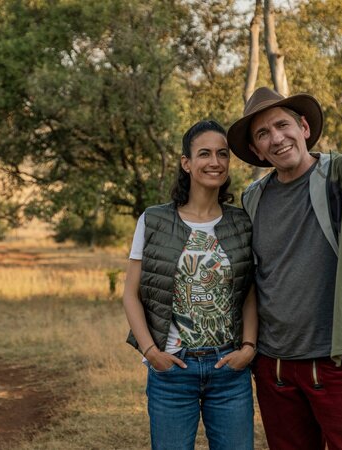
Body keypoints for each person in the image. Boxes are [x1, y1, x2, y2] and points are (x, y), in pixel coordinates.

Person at [226, 86, 342, 450]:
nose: (277, 138)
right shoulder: (253, 197)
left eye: (283, 125)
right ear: (256, 150)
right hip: (275, 369)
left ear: (303, 127)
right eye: (263, 134)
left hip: (339, 361)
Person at [123, 120, 258, 450]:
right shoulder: (153, 220)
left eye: (222, 154)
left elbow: (249, 293)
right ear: (186, 163)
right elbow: (130, 294)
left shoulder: (241, 222)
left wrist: (248, 349)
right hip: (172, 371)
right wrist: (152, 353)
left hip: (229, 370)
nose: (215, 162)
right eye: (204, 154)